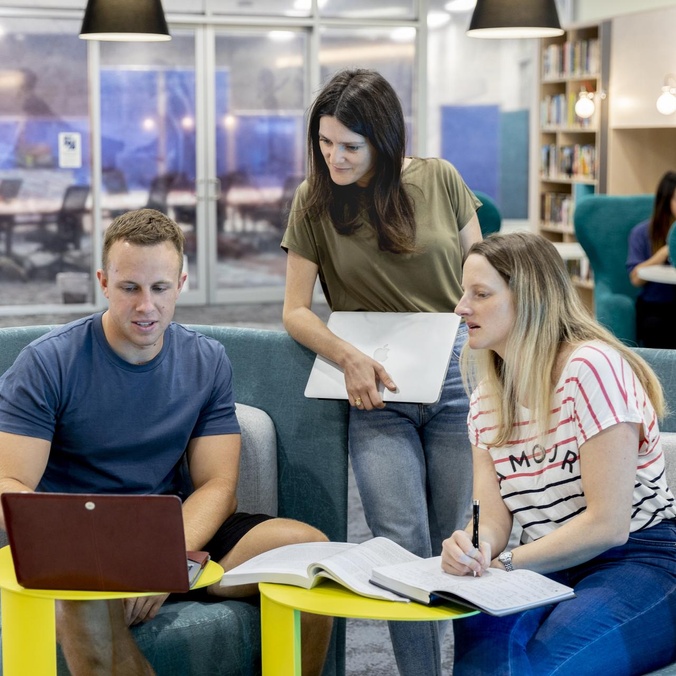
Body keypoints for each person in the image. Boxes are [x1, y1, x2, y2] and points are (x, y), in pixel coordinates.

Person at [0, 209, 332, 676]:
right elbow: (10, 482)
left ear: (180, 284)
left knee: (309, 551)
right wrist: (80, 553)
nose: (145, 306)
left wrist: (161, 559)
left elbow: (218, 484)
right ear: (103, 282)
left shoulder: (206, 359)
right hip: (85, 541)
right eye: (129, 288)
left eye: (159, 288)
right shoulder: (47, 363)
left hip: (174, 530)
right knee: (84, 606)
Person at [281, 68, 482, 675]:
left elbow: (483, 273)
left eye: (350, 145)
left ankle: (473, 667)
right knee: (400, 545)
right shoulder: (313, 200)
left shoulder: (440, 178)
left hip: (458, 379)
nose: (333, 157)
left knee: (464, 545)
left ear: (385, 140)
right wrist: (346, 356)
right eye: (324, 142)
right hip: (374, 389)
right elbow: (294, 311)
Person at [442, 231, 676, 675]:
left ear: (527, 299)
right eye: (463, 292)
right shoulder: (485, 398)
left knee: (544, 666)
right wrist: (473, 547)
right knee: (482, 653)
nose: (460, 307)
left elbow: (608, 526)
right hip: (545, 560)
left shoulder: (591, 368)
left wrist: (502, 562)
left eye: (480, 294)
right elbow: (491, 517)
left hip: (641, 559)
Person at [626, 170, 676, 348]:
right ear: (665, 201)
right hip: (655, 307)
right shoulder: (642, 232)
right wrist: (663, 254)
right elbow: (636, 278)